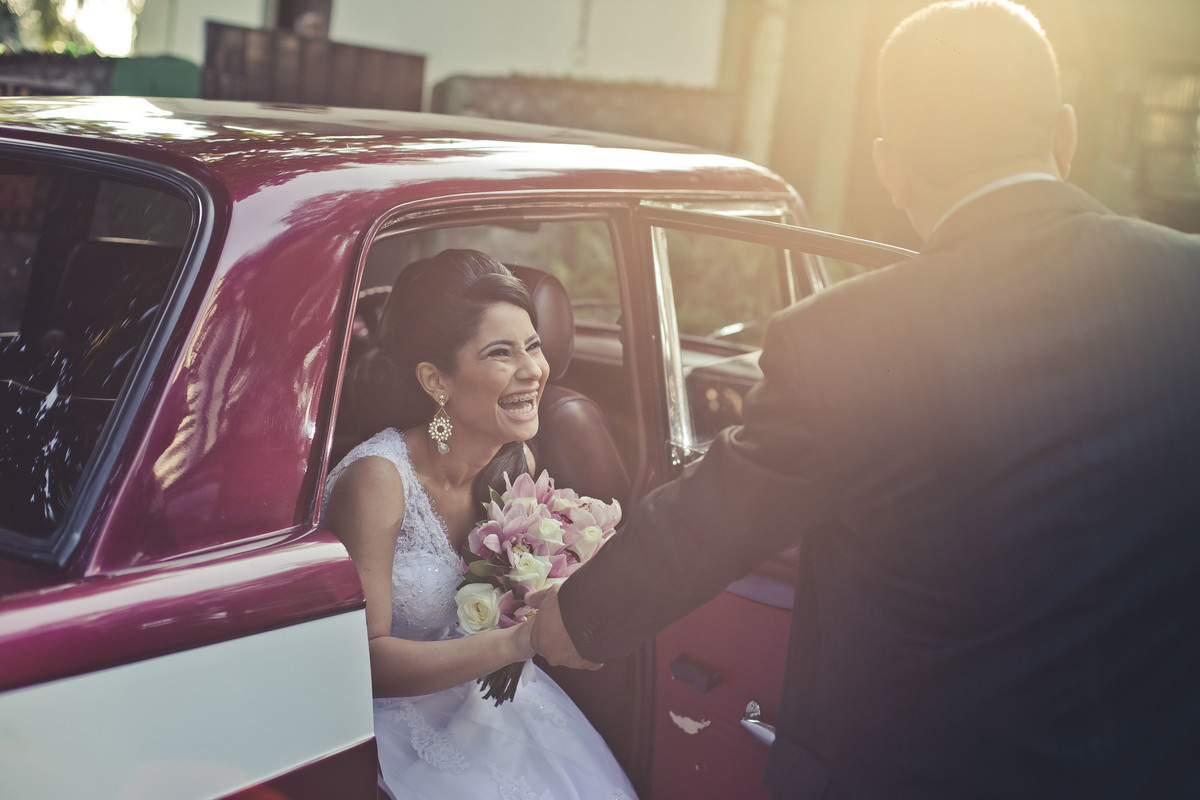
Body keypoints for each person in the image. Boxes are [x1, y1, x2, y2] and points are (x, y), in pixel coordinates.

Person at [530, 1, 1200, 798]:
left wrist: (575, 620)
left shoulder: (839, 339)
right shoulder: (1186, 283)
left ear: (890, 168)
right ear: (1064, 134)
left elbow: (714, 522)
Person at [322, 249, 635, 799]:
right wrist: (522, 640)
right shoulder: (378, 481)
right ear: (436, 380)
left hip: (487, 703)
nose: (532, 370)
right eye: (500, 353)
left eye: (533, 346)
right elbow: (362, 663)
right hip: (388, 726)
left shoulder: (517, 462)